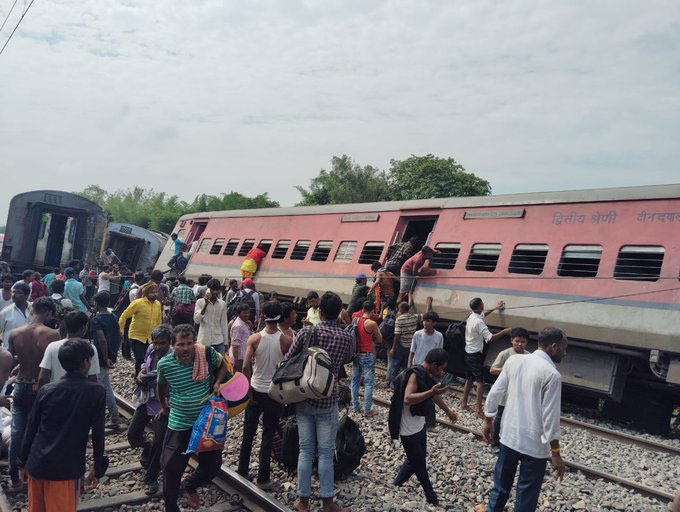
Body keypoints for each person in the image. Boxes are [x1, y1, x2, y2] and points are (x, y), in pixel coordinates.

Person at [480, 327, 568, 512]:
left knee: (500, 488)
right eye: (564, 347)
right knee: (526, 497)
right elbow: (550, 418)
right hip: (534, 447)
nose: (565, 352)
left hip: (509, 438)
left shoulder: (514, 360)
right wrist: (556, 453)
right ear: (553, 346)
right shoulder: (552, 375)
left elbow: (495, 392)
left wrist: (488, 420)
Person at [283, 291, 354, 512]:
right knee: (325, 451)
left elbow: (289, 359)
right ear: (338, 313)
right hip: (328, 399)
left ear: (320, 311)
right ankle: (327, 502)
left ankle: (302, 501)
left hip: (304, 397)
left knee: (305, 449)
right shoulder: (346, 337)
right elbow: (348, 359)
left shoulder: (307, 332)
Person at [18, 339, 108, 511]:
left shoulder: (47, 390)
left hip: (37, 465)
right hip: (65, 470)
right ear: (85, 363)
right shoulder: (96, 392)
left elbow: (31, 428)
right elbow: (98, 433)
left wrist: (22, 462)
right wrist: (98, 468)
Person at [157, 324, 230, 512]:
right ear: (173, 345)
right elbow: (161, 386)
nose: (186, 348)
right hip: (180, 423)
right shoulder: (164, 365)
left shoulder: (205, 353)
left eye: (189, 343)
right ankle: (171, 507)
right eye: (181, 344)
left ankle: (189, 485)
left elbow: (223, 364)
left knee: (212, 466)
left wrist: (218, 382)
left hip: (206, 423)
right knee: (171, 469)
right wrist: (164, 404)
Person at [389, 348, 457, 507]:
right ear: (434, 364)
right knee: (419, 465)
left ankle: (396, 483)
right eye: (440, 368)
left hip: (418, 425)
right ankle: (432, 498)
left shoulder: (426, 374)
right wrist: (430, 392)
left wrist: (447, 411)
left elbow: (434, 394)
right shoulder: (415, 374)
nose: (441, 371)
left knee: (415, 459)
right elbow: (408, 398)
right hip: (407, 428)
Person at [238, 301, 293, 488]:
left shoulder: (254, 338)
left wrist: (249, 387)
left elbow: (245, 366)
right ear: (279, 316)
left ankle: (242, 471)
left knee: (248, 433)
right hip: (273, 393)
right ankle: (263, 478)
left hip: (255, 391)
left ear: (263, 314)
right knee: (268, 434)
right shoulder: (286, 340)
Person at [6, 297, 61, 488]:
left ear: (32, 311)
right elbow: (52, 363)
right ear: (48, 313)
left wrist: (21, 363)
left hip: (21, 384)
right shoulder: (53, 335)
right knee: (40, 431)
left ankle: (14, 475)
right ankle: (34, 473)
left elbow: (11, 358)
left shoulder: (15, 333)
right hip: (42, 386)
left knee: (17, 431)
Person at [127, 324, 172, 496]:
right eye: (156, 342)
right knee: (133, 434)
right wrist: (142, 371)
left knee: (159, 443)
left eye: (163, 343)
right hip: (147, 400)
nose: (159, 346)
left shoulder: (173, 357)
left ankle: (151, 477)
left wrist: (168, 405)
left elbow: (168, 379)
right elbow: (145, 365)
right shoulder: (151, 349)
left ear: (169, 342)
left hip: (163, 404)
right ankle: (146, 447)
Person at [462, 297, 512, 417]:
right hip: (475, 355)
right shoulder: (478, 322)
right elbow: (490, 338)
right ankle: (478, 410)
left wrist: (495, 307)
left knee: (469, 379)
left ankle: (463, 403)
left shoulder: (472, 315)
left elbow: (483, 314)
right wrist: (504, 332)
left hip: (468, 351)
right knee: (481, 382)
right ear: (480, 305)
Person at [488, 327, 531, 448]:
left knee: (515, 419)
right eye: (517, 341)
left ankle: (509, 443)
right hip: (505, 394)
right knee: (499, 418)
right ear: (511, 340)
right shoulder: (505, 354)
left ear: (526, 343)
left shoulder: (529, 356)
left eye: (523, 341)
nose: (519, 344)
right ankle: (495, 442)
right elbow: (492, 369)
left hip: (520, 394)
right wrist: (506, 370)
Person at [38, 311, 100, 388]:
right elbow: (93, 378)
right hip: (82, 396)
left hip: (56, 394)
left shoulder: (52, 346)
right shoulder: (90, 348)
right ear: (83, 328)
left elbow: (42, 377)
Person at [89, 291, 123, 427]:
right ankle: (113, 416)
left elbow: (102, 340)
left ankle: (107, 417)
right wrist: (115, 351)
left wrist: (105, 357)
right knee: (105, 385)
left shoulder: (96, 320)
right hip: (111, 354)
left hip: (102, 357)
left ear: (96, 303)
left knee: (100, 387)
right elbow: (119, 335)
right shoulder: (113, 317)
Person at [388, 297, 433, 390]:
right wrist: (428, 305)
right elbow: (425, 315)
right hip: (410, 346)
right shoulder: (414, 317)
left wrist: (393, 348)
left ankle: (393, 385)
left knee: (395, 366)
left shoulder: (399, 319)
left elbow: (397, 335)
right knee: (406, 367)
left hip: (401, 346)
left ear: (401, 309)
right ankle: (404, 384)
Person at [118, 282, 162, 374]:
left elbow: (158, 321)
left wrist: (159, 335)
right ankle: (139, 378)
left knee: (149, 358)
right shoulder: (137, 303)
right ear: (146, 292)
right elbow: (124, 315)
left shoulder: (158, 304)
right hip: (136, 336)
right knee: (140, 358)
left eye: (156, 292)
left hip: (150, 337)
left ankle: (146, 377)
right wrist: (121, 330)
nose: (155, 294)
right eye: (152, 292)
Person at [351, 300, 383, 416]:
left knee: (355, 380)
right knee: (368, 382)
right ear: (373, 311)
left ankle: (355, 405)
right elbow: (380, 339)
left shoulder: (355, 320)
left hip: (356, 354)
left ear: (362, 309)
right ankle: (367, 409)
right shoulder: (371, 323)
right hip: (367, 355)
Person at [194, 279, 228, 356]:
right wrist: (205, 304)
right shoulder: (200, 302)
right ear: (208, 290)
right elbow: (197, 320)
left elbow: (224, 324)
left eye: (217, 290)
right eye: (213, 290)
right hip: (204, 340)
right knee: (204, 365)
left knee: (219, 366)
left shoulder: (222, 304)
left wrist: (225, 342)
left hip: (218, 341)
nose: (215, 292)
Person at [0, 281, 31, 348]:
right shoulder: (6, 312)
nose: (14, 295)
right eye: (13, 292)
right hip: (10, 351)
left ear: (26, 296)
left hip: (28, 350)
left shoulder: (33, 310)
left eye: (19, 293)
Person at [230, 304, 252, 372]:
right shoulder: (238, 326)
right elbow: (235, 344)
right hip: (240, 359)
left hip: (244, 357)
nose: (247, 315)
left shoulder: (244, 323)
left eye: (248, 312)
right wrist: (236, 360)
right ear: (238, 313)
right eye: (244, 313)